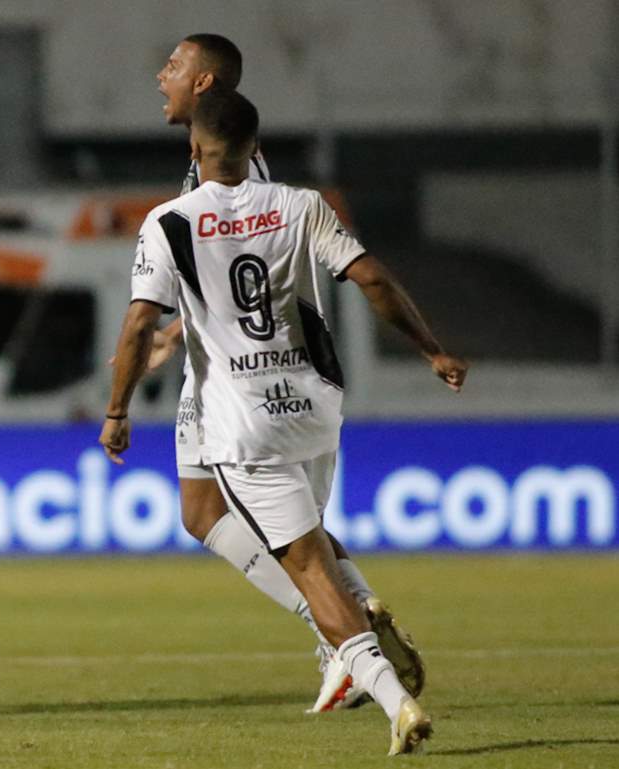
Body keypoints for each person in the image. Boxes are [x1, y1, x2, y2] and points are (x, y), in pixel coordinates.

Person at [102, 88, 466, 754]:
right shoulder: (299, 204)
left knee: (306, 568)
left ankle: (392, 697)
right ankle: (361, 619)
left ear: (194, 146)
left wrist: (117, 408)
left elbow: (135, 323)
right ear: (254, 147)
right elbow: (372, 279)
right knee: (313, 547)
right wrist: (432, 348)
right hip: (314, 405)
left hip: (241, 421)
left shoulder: (168, 220)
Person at [149, 34, 423, 711]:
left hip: (244, 375)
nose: (162, 75)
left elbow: (258, 272)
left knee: (245, 517)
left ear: (207, 84)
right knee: (208, 510)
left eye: (175, 66)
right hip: (231, 364)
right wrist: (175, 329)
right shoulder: (212, 159)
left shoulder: (246, 168)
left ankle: (341, 631)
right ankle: (345, 625)